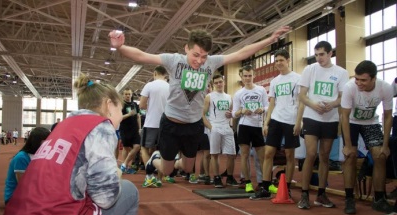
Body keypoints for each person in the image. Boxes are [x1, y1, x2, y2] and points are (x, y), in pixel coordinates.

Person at [0, 73, 139, 215]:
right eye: (121, 110)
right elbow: (106, 197)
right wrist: (117, 174)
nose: (121, 117)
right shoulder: (100, 126)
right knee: (129, 192)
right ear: (108, 105)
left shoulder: (63, 126)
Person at [109, 26, 290, 179]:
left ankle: (164, 158)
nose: (199, 61)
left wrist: (271, 39)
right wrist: (121, 47)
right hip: (171, 123)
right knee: (166, 170)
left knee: (188, 169)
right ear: (186, 48)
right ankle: (154, 158)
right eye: (196, 55)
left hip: (193, 125)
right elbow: (142, 56)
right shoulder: (174, 61)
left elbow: (241, 52)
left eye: (204, 56)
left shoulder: (210, 63)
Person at [295, 41, 349, 209]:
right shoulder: (309, 70)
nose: (318, 58)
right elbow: (302, 95)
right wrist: (314, 105)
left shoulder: (341, 73)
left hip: (330, 118)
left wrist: (332, 105)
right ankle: (304, 194)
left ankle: (321, 194)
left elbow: (342, 97)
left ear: (330, 53)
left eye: (322, 54)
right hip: (311, 116)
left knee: (325, 156)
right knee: (311, 154)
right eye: (316, 54)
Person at [341, 60, 394, 215]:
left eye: (363, 80)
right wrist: (348, 145)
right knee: (350, 156)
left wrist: (385, 144)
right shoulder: (350, 87)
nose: (359, 83)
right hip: (351, 122)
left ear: (373, 79)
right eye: (357, 79)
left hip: (371, 122)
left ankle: (379, 199)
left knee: (380, 156)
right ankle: (349, 198)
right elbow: (344, 116)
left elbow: (388, 116)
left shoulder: (385, 88)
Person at [255, 49, 301, 199]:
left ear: (288, 60)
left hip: (291, 120)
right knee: (268, 153)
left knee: (289, 155)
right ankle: (266, 186)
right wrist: (266, 123)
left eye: (281, 60)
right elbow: (272, 103)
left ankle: (286, 188)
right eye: (276, 61)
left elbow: (301, 102)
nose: (278, 63)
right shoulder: (274, 81)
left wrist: (298, 122)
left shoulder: (297, 79)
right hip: (276, 119)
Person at [232, 65, 268, 194]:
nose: (247, 78)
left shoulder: (261, 90)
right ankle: (247, 182)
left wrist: (262, 109)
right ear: (241, 77)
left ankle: (264, 183)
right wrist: (241, 111)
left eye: (250, 75)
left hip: (257, 126)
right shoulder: (238, 94)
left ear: (254, 75)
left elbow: (268, 106)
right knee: (244, 156)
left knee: (261, 157)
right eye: (245, 76)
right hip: (244, 126)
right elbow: (233, 113)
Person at [203, 74, 237, 188]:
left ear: (224, 82)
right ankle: (217, 177)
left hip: (227, 127)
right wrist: (211, 127)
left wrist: (232, 116)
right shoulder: (209, 97)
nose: (219, 84)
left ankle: (230, 177)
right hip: (215, 126)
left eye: (220, 82)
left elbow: (232, 113)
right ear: (213, 84)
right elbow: (202, 114)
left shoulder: (229, 97)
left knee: (232, 154)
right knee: (214, 154)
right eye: (216, 83)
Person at [139, 66, 170, 187]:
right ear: (165, 75)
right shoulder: (170, 87)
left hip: (151, 123)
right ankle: (159, 179)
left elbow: (141, 105)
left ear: (155, 73)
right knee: (162, 151)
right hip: (166, 124)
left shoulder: (149, 85)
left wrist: (151, 108)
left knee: (144, 148)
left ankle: (149, 176)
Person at [3, 127, 51, 204]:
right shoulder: (22, 158)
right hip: (15, 198)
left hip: (33, 194)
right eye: (46, 142)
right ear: (36, 142)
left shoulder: (41, 155)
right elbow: (23, 186)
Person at [119, 88, 141, 174]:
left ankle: (124, 164)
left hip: (134, 129)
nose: (128, 96)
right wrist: (128, 114)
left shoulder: (135, 104)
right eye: (126, 94)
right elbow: (120, 117)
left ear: (131, 95)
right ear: (123, 95)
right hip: (125, 129)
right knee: (126, 148)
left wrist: (139, 128)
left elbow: (138, 116)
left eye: (129, 94)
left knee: (137, 147)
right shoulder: (121, 105)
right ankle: (126, 167)